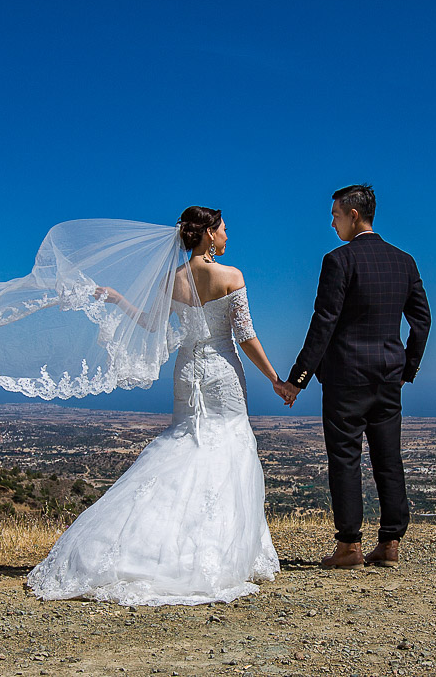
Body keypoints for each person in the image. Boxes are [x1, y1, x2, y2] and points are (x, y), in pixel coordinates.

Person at [25, 206, 287, 604]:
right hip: (221, 373)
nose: (227, 236)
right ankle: (218, 549)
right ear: (208, 235)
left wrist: (118, 299)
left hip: (186, 373)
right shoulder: (231, 276)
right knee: (229, 445)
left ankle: (146, 541)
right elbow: (246, 336)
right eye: (224, 230)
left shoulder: (173, 280)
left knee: (185, 443)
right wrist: (274, 378)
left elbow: (150, 323)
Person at [278, 185, 431, 569]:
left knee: (345, 459)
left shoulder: (338, 260)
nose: (331, 222)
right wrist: (406, 369)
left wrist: (298, 378)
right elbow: (422, 321)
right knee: (388, 458)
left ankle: (349, 547)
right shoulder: (405, 261)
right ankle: (391, 543)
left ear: (353, 215)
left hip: (346, 377)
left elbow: (324, 322)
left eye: (335, 215)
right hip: (388, 378)